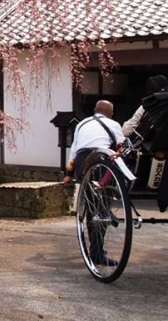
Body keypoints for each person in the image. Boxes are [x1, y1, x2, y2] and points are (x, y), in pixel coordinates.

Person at [64, 100, 126, 267]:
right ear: (111, 114)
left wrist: (68, 174)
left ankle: (96, 249)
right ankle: (96, 253)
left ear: (94, 111)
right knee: (101, 207)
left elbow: (74, 149)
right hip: (101, 159)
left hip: (82, 161)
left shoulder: (82, 123)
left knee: (92, 206)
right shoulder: (113, 123)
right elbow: (121, 146)